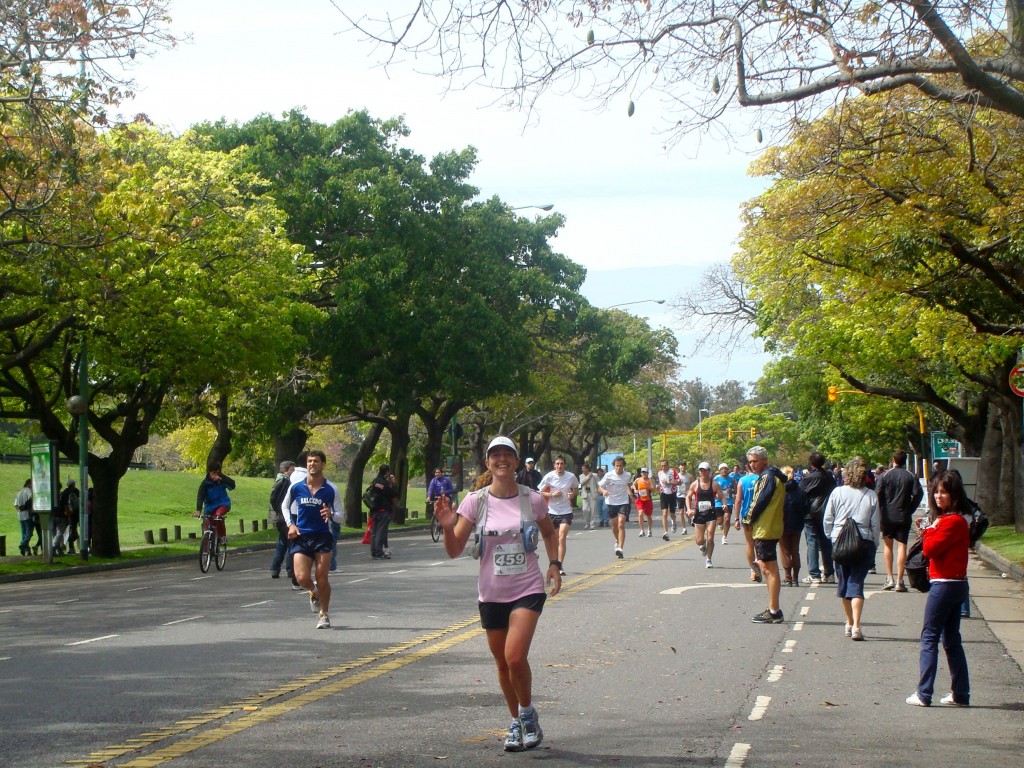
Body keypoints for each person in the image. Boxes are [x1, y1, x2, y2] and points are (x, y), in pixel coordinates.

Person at [432, 436, 561, 751]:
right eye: (495, 455)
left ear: (516, 462)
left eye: (508, 455)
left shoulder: (532, 499)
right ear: (488, 462)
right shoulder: (475, 501)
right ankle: (516, 721)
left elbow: (548, 532)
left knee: (515, 657)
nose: (502, 460)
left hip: (527, 588)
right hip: (491, 593)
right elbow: (454, 550)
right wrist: (449, 526)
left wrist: (555, 564)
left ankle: (528, 714)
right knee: (503, 664)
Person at [906, 471, 971, 707]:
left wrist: (930, 529)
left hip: (944, 585)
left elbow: (930, 548)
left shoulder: (951, 521)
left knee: (929, 637)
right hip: (956, 585)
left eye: (944, 492)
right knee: (952, 639)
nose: (939, 496)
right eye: (936, 491)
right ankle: (960, 693)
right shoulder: (957, 520)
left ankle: (924, 693)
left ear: (954, 495)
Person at [282, 450, 343, 629]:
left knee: (322, 576)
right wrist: (290, 525)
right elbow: (284, 506)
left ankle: (324, 614)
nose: (312, 464)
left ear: (323, 464)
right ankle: (314, 591)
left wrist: (331, 514)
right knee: (301, 578)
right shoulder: (296, 487)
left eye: (316, 461)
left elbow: (341, 516)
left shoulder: (331, 489)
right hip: (302, 536)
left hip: (323, 536)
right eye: (309, 461)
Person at [823, 457, 880, 640]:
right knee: (856, 583)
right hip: (863, 542)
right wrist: (874, 543)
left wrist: (831, 535)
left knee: (844, 582)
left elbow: (828, 518)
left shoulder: (837, 492)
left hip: (839, 541)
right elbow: (875, 524)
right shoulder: (871, 495)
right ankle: (856, 625)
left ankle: (848, 622)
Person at [747, 447, 787, 623]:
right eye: (750, 461)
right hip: (770, 526)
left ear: (765, 460)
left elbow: (758, 503)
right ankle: (773, 607)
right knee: (766, 567)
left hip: (765, 527)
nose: (752, 465)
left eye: (755, 461)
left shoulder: (767, 478)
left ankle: (774, 610)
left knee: (769, 570)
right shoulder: (775, 477)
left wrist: (747, 518)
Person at [876, 450, 924, 592]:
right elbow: (918, 494)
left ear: (893, 460)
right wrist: (910, 508)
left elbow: (878, 493)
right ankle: (900, 580)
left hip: (887, 515)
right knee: (902, 546)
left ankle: (889, 577)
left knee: (888, 546)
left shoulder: (884, 475)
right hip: (903, 514)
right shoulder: (910, 476)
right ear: (905, 461)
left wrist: (881, 509)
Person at [799, 452, 837, 584]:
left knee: (812, 542)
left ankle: (814, 573)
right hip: (826, 512)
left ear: (811, 463)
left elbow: (800, 494)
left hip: (810, 512)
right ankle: (829, 573)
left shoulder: (808, 478)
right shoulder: (829, 477)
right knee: (826, 542)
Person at [538, 456, 579, 574]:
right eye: (557, 464)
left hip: (566, 511)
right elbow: (539, 491)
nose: (559, 466)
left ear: (565, 465)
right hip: (552, 511)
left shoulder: (571, 476)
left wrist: (572, 494)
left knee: (562, 537)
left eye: (561, 464)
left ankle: (560, 565)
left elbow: (576, 488)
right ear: (554, 465)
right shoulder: (549, 476)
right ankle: (554, 563)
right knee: (554, 540)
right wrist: (551, 495)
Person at [687, 462, 726, 568]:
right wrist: (689, 509)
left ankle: (709, 559)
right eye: (701, 470)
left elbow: (722, 496)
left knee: (710, 537)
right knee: (699, 540)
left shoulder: (714, 484)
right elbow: (688, 497)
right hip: (699, 514)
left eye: (705, 470)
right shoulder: (695, 484)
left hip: (711, 514)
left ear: (709, 471)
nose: (703, 472)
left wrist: (724, 504)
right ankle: (702, 544)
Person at [598, 456, 633, 559]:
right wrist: (604, 491)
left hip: (623, 502)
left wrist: (630, 493)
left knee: (621, 524)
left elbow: (627, 484)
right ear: (614, 466)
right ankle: (617, 540)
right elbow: (599, 486)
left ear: (623, 466)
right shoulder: (608, 475)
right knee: (614, 526)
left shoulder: (627, 475)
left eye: (621, 466)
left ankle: (620, 548)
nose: (618, 468)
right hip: (611, 502)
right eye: (617, 466)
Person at [779, 467, 807, 587]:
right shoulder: (800, 491)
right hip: (797, 524)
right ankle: (795, 577)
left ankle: (787, 577)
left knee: (784, 551)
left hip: (782, 523)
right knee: (795, 550)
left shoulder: (780, 491)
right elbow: (806, 508)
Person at [269, 461, 296, 580]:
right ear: (286, 470)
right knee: (292, 543)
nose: (294, 472)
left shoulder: (279, 480)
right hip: (284, 517)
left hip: (280, 517)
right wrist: (281, 511)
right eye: (292, 469)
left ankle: (275, 569)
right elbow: (274, 499)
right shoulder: (285, 481)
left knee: (282, 543)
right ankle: (290, 570)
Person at [366, 464, 399, 560]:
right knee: (381, 532)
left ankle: (374, 552)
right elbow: (394, 493)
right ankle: (379, 552)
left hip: (374, 510)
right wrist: (394, 484)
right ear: (387, 472)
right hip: (384, 510)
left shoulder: (375, 482)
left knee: (374, 532)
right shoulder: (384, 483)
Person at [735, 463, 761, 582]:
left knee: (750, 543)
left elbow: (738, 500)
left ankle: (752, 570)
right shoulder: (761, 478)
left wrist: (736, 518)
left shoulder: (742, 480)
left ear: (747, 468)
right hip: (761, 515)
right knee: (760, 543)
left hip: (747, 515)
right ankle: (761, 565)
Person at [195, 462, 235, 540]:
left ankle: (222, 537)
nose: (216, 475)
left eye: (217, 473)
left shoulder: (222, 479)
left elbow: (233, 485)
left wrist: (222, 479)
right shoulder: (205, 483)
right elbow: (200, 496)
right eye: (214, 473)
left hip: (223, 503)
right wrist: (198, 510)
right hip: (209, 506)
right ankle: (208, 545)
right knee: (208, 526)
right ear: (209, 473)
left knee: (218, 515)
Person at [656, 458, 681, 540]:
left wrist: (669, 483)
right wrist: (658, 486)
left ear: (668, 465)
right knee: (664, 513)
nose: (663, 467)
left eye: (665, 465)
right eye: (662, 466)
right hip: (663, 494)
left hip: (672, 494)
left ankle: (674, 523)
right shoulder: (659, 473)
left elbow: (679, 482)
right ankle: (666, 532)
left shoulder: (672, 471)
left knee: (672, 513)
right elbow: (659, 483)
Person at [714, 463, 736, 545]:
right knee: (720, 521)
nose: (724, 470)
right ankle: (720, 524)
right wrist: (715, 494)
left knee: (727, 520)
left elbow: (736, 490)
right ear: (720, 470)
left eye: (725, 469)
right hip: (718, 502)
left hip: (728, 502)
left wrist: (732, 491)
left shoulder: (732, 479)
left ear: (727, 470)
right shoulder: (716, 479)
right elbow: (712, 490)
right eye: (722, 469)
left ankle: (724, 537)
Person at [632, 468, 655, 537]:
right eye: (642, 472)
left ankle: (649, 530)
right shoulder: (638, 479)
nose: (643, 474)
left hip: (648, 500)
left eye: (645, 472)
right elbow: (633, 484)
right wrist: (635, 489)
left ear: (647, 473)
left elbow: (653, 489)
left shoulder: (649, 480)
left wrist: (648, 486)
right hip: (640, 499)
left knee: (648, 515)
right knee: (640, 514)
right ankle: (642, 530)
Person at [61, 480, 81, 555]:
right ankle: (71, 546)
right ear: (72, 485)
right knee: (72, 530)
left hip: (66, 514)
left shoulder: (65, 492)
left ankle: (70, 546)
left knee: (69, 530)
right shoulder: (75, 492)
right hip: (73, 514)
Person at [14, 479, 33, 556]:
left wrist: (20, 510)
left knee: (24, 533)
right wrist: (26, 507)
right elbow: (31, 497)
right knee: (29, 532)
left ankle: (25, 549)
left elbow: (15, 505)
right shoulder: (28, 490)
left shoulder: (19, 492)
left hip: (20, 515)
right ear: (29, 484)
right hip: (27, 514)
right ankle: (23, 544)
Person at [577, 463, 599, 530]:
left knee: (593, 510)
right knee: (585, 509)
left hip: (593, 494)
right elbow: (581, 483)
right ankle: (587, 523)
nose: (583, 470)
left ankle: (592, 524)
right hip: (585, 493)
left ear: (587, 469)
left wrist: (599, 491)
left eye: (584, 468)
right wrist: (588, 477)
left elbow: (598, 484)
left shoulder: (594, 475)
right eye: (582, 468)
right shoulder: (581, 476)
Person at [675, 461, 692, 533]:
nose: (683, 467)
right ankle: (684, 528)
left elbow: (694, 484)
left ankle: (689, 518)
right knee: (681, 512)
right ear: (679, 467)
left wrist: (690, 491)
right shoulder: (676, 476)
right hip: (679, 495)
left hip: (687, 496)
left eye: (684, 465)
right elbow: (673, 484)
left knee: (687, 512)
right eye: (681, 465)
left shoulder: (689, 476)